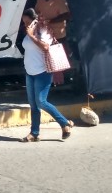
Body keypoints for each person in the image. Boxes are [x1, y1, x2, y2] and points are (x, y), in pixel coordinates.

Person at [19, 8, 74, 142]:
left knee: (41, 102)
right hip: (30, 71)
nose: (25, 25)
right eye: (24, 22)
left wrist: (32, 36)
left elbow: (45, 47)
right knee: (33, 105)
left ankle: (64, 123)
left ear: (34, 20)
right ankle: (34, 133)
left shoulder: (42, 30)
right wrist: (29, 34)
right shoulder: (28, 32)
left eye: (27, 22)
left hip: (42, 72)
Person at [34, 0, 71, 84]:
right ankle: (51, 81)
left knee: (59, 59)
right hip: (44, 34)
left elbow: (66, 15)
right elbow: (36, 12)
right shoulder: (40, 0)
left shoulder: (59, 0)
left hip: (58, 34)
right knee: (46, 59)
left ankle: (63, 81)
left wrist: (51, 21)